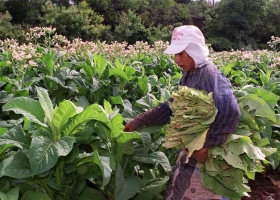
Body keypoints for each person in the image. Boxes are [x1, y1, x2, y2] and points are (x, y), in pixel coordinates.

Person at [124, 25, 240, 200]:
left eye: (181, 54)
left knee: (203, 193)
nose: (177, 60)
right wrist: (140, 121)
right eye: (175, 55)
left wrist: (207, 145)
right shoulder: (189, 74)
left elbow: (230, 111)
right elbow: (172, 107)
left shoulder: (210, 75)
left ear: (195, 51)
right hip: (192, 150)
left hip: (206, 157)